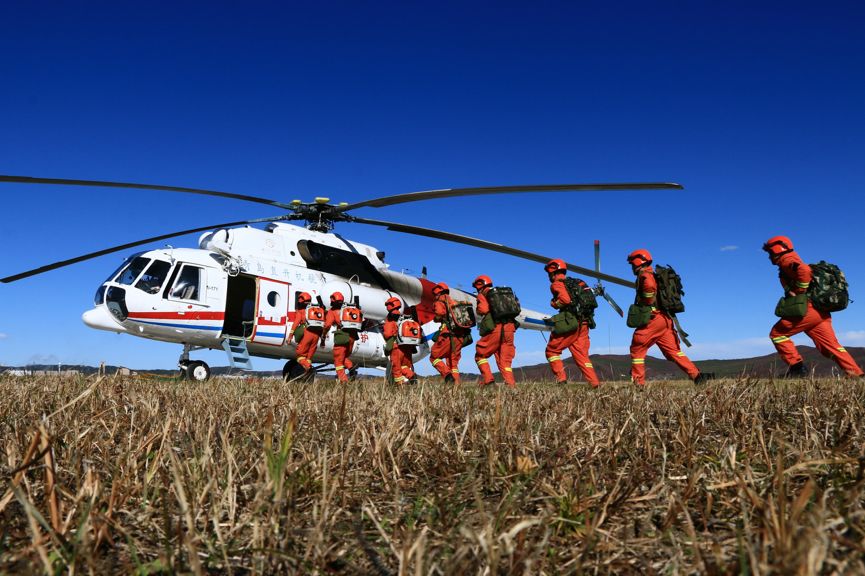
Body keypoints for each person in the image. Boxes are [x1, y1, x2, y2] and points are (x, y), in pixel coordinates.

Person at [763, 236, 863, 378]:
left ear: (777, 249)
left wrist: (799, 291)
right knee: (831, 346)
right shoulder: (791, 260)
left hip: (808, 309)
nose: (769, 257)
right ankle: (856, 374)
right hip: (820, 311)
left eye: (770, 253)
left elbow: (804, 271)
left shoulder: (787, 260)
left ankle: (797, 369)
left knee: (777, 334)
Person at [626, 249, 710, 385]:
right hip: (665, 320)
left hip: (653, 319)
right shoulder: (654, 275)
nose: (631, 267)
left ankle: (638, 383)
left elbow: (649, 288)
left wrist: (646, 302)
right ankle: (697, 376)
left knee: (637, 349)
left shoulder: (645, 275)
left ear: (637, 262)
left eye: (632, 264)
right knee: (674, 352)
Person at [543, 259, 600, 387]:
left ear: (553, 272)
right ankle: (594, 383)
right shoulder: (576, 282)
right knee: (581, 355)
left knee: (552, 351)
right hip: (584, 322)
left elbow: (565, 300)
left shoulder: (557, 284)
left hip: (571, 322)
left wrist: (554, 303)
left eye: (549, 274)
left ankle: (561, 380)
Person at [473, 275, 517, 388]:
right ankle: (511, 384)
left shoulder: (484, 294)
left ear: (479, 285)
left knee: (480, 355)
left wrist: (478, 310)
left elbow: (483, 309)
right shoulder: (503, 294)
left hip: (496, 328)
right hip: (510, 328)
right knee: (505, 360)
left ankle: (489, 381)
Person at [429, 282, 469, 384]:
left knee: (434, 357)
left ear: (438, 292)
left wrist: (436, 319)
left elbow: (439, 313)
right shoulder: (454, 302)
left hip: (447, 334)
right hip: (459, 336)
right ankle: (456, 385)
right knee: (453, 363)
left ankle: (447, 376)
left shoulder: (440, 301)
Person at [322, 291, 358, 384]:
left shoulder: (332, 311)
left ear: (333, 300)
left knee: (338, 361)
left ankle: (343, 381)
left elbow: (327, 325)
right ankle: (351, 368)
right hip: (352, 337)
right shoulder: (349, 309)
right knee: (344, 357)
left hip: (342, 337)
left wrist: (323, 336)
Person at [382, 296, 417, 385]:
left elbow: (388, 334)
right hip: (407, 348)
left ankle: (399, 386)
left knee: (396, 368)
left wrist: (387, 349)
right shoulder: (403, 318)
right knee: (404, 366)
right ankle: (411, 375)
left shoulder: (390, 319)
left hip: (396, 348)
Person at [293, 291, 324, 378]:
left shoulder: (301, 312)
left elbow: (295, 324)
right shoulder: (318, 310)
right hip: (316, 335)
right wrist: (323, 340)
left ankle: (308, 368)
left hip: (307, 334)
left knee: (300, 355)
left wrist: (290, 335)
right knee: (309, 357)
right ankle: (307, 373)